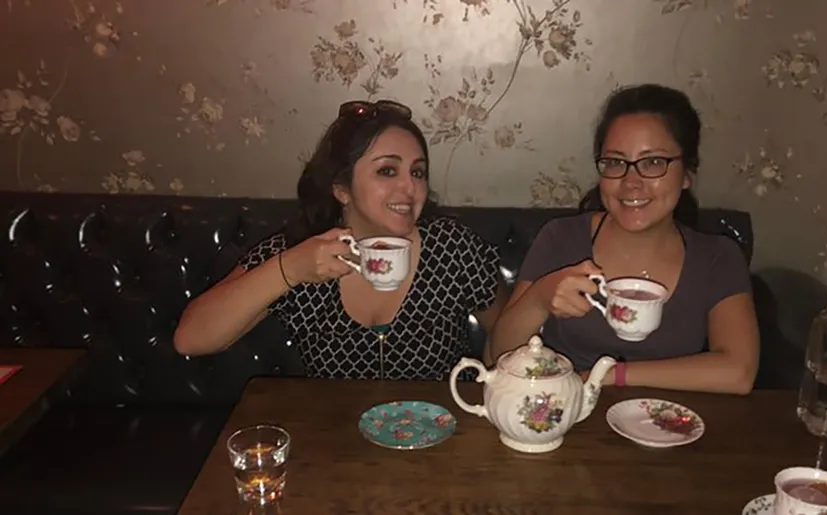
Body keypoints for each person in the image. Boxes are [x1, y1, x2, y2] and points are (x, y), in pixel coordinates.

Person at [174, 99, 508, 380]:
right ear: (341, 189)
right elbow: (190, 340)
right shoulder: (302, 253)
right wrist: (289, 269)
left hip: (440, 437)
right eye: (387, 171)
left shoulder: (452, 246)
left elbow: (508, 334)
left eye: (417, 172)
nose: (410, 188)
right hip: (340, 442)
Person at [489, 84, 759, 395]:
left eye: (653, 162)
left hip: (673, 430)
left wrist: (609, 375)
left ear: (686, 173)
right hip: (567, 422)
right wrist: (539, 298)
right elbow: (496, 357)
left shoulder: (717, 257)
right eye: (616, 162)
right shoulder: (560, 238)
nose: (632, 182)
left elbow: (738, 372)